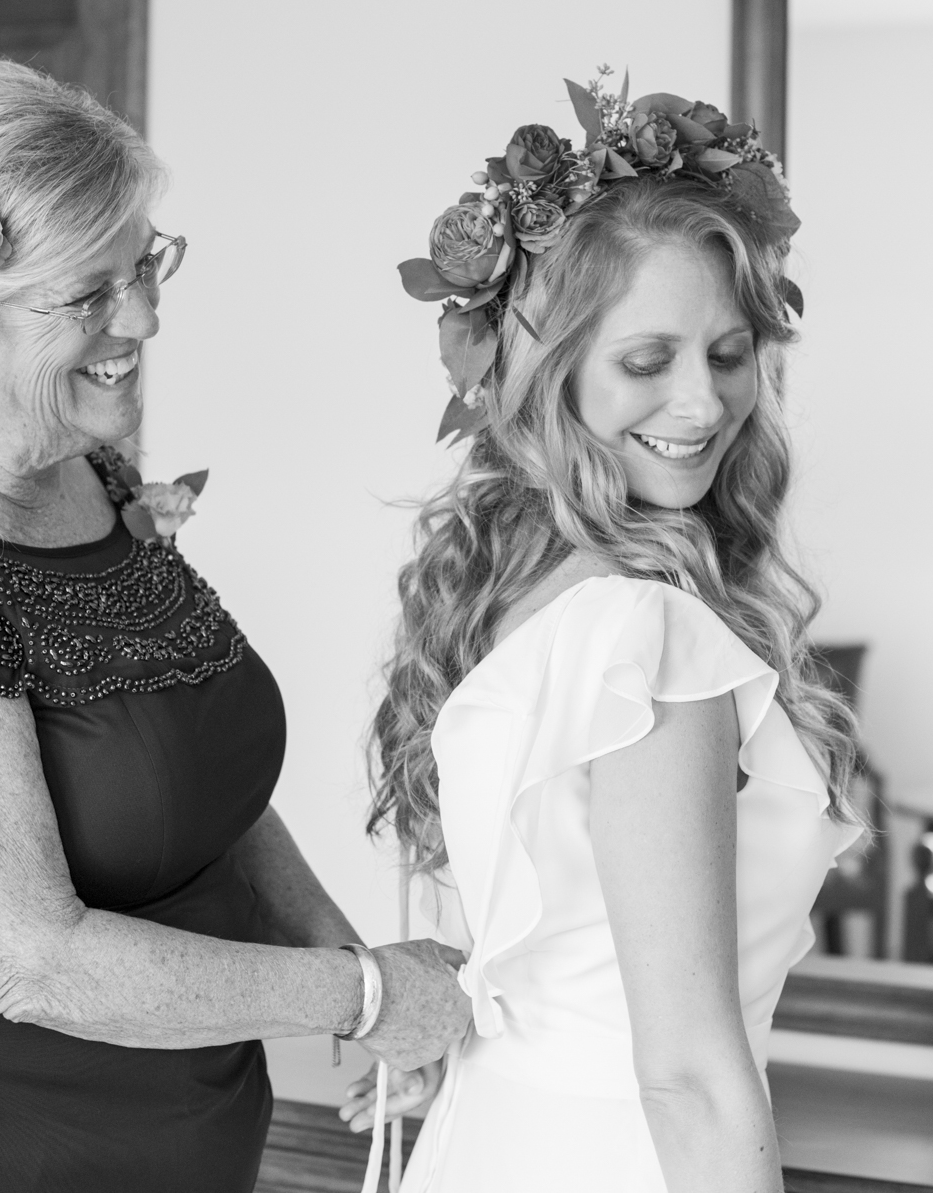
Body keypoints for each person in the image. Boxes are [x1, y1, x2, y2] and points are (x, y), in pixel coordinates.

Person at [0, 59, 470, 1191]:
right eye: (86, 293)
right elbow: (32, 963)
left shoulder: (89, 472)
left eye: (144, 264)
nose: (143, 315)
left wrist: (350, 972)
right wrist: (371, 993)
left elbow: (198, 787)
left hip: (183, 1141)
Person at [356, 77, 862, 1193]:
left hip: (493, 1137)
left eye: (728, 355)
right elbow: (686, 1072)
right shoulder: (646, 634)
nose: (702, 404)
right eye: (648, 361)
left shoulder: (503, 587)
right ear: (553, 365)